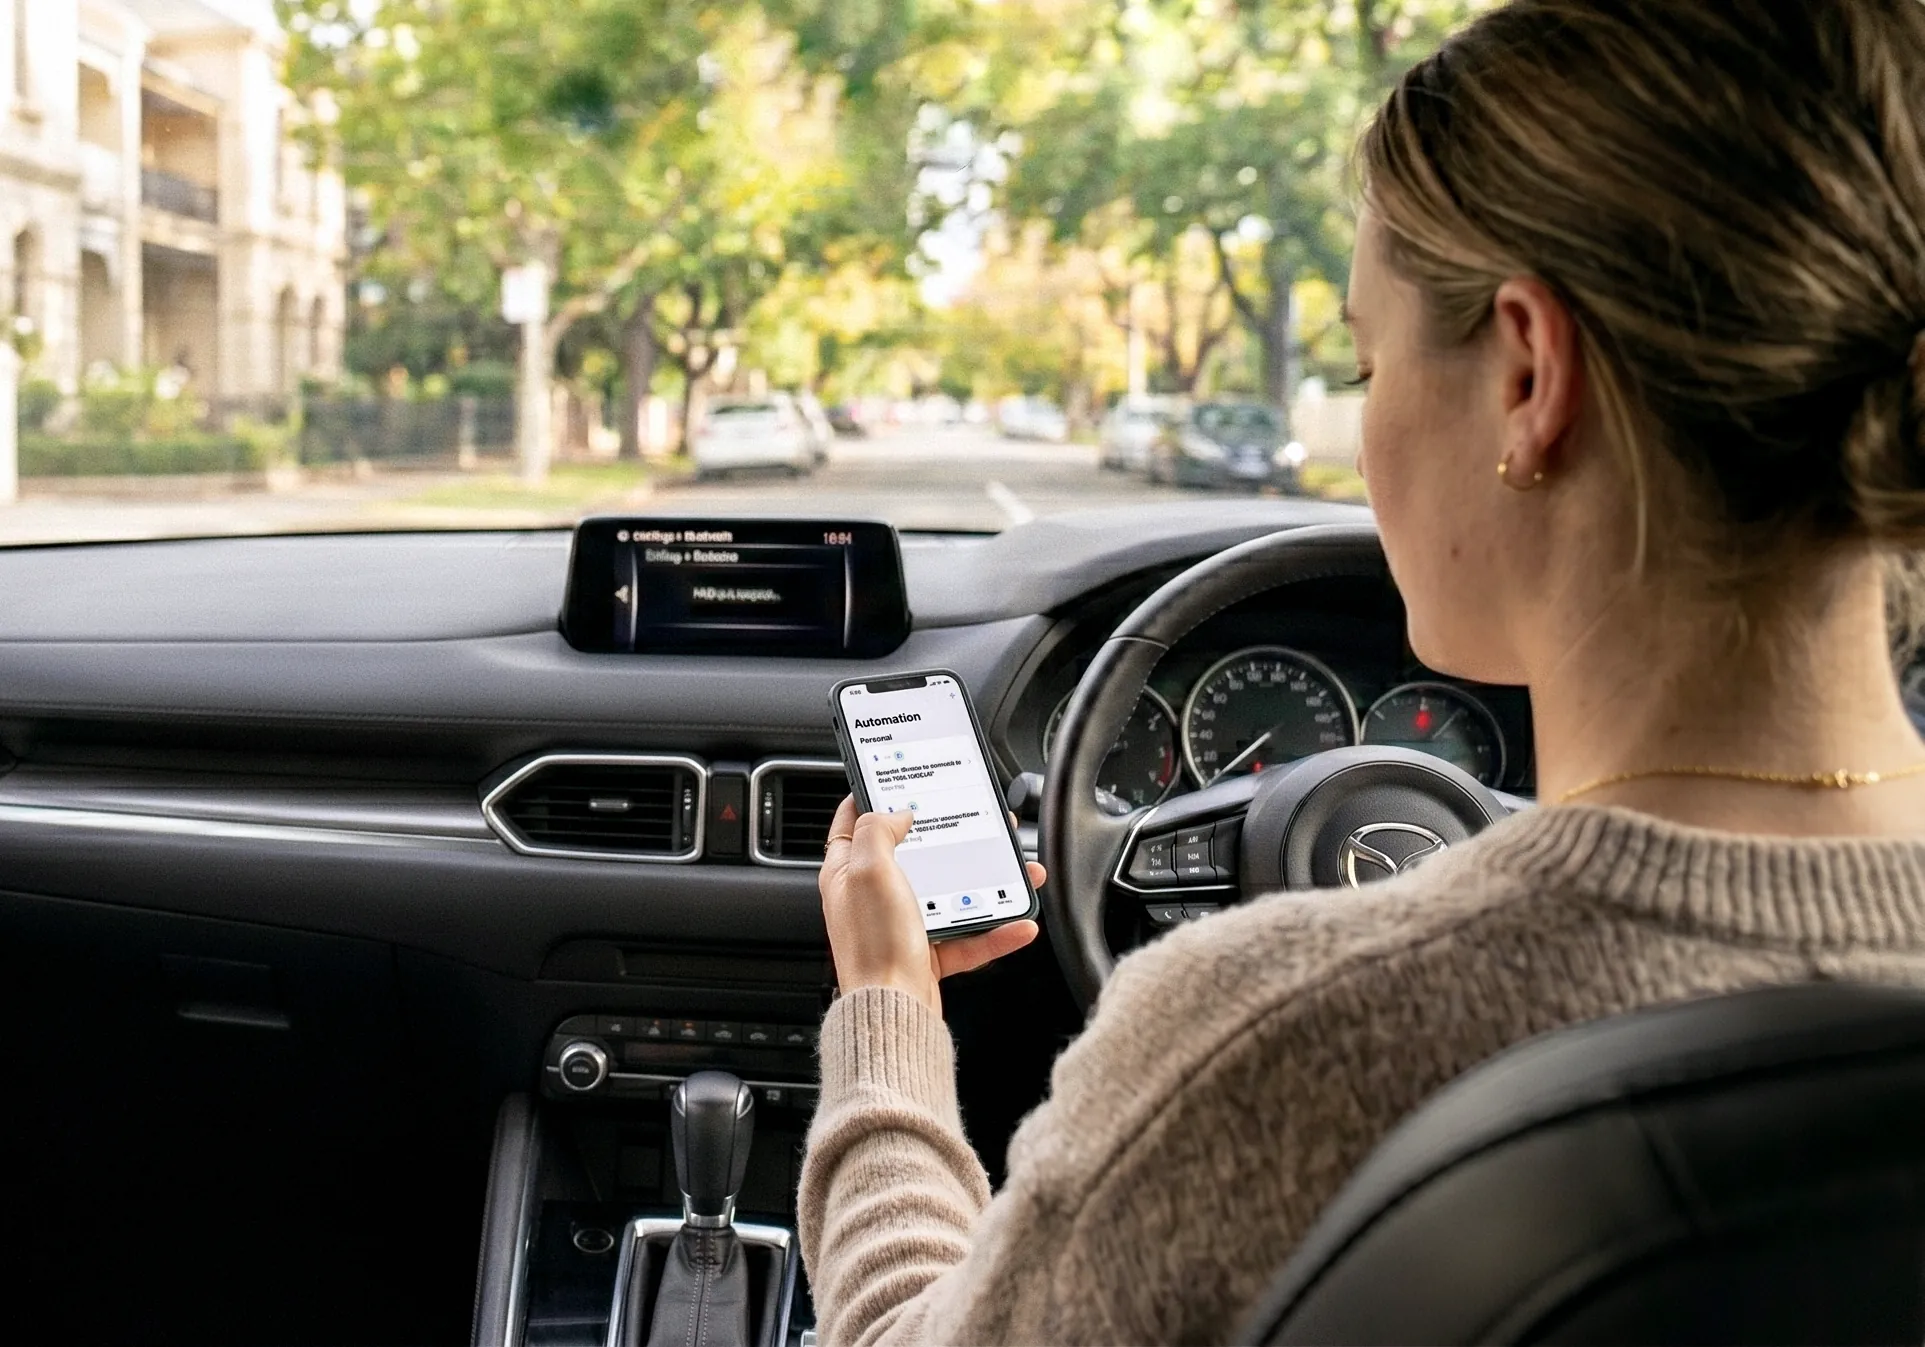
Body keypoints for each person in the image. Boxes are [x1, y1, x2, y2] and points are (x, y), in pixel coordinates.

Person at [800, 1, 1925, 1341]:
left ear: (1527, 371)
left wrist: (886, 1016)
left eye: (1365, 358)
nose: (1360, 434)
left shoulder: (1276, 1040)